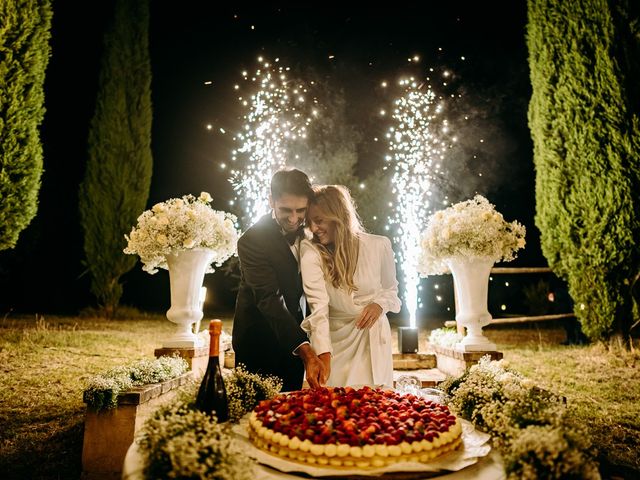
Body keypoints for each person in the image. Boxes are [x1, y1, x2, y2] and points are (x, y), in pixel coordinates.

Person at [232, 169, 330, 391]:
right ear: (271, 201)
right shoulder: (252, 241)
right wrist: (306, 350)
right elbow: (269, 299)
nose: (294, 218)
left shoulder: (312, 232)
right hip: (258, 345)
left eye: (300, 210)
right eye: (286, 210)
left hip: (295, 345)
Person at [300, 185, 401, 389]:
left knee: (375, 411)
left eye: (318, 220)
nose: (313, 228)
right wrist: (322, 356)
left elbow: (392, 291)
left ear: (338, 215)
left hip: (372, 341)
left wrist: (380, 304)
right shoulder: (311, 250)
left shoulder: (380, 246)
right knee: (334, 413)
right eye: (309, 222)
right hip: (334, 345)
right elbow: (318, 309)